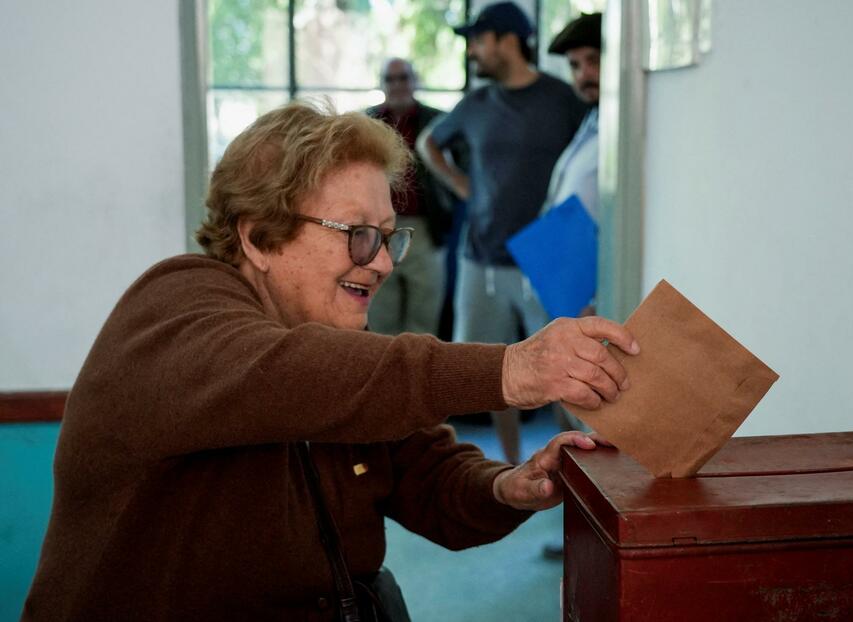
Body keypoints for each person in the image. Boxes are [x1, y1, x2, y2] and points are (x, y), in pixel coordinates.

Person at [22, 101, 640, 621]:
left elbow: (424, 471)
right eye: (357, 234)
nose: (382, 262)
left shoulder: (332, 349)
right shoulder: (173, 308)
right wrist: (511, 368)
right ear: (258, 236)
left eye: (389, 235)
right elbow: (288, 374)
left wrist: (509, 486)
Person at [417, 1, 588, 464]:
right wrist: (458, 184)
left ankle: (574, 474)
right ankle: (509, 467)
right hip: (480, 260)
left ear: (508, 40)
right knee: (488, 375)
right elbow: (427, 142)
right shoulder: (475, 104)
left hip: (546, 262)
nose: (473, 51)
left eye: (479, 40)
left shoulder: (562, 99)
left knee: (569, 380)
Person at [539, 12, 604, 560]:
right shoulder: (591, 122)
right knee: (572, 415)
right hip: (563, 281)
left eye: (592, 61)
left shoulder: (621, 127)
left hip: (594, 290)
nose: (585, 74)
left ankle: (594, 533)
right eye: (578, 65)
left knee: (595, 418)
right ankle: (579, 526)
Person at [365, 58, 450, 336]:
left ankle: (420, 377)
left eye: (403, 78)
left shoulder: (438, 121)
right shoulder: (366, 123)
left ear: (414, 80)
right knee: (379, 313)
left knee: (424, 316)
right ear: (382, 84)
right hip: (377, 230)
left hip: (425, 228)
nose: (398, 85)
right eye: (391, 79)